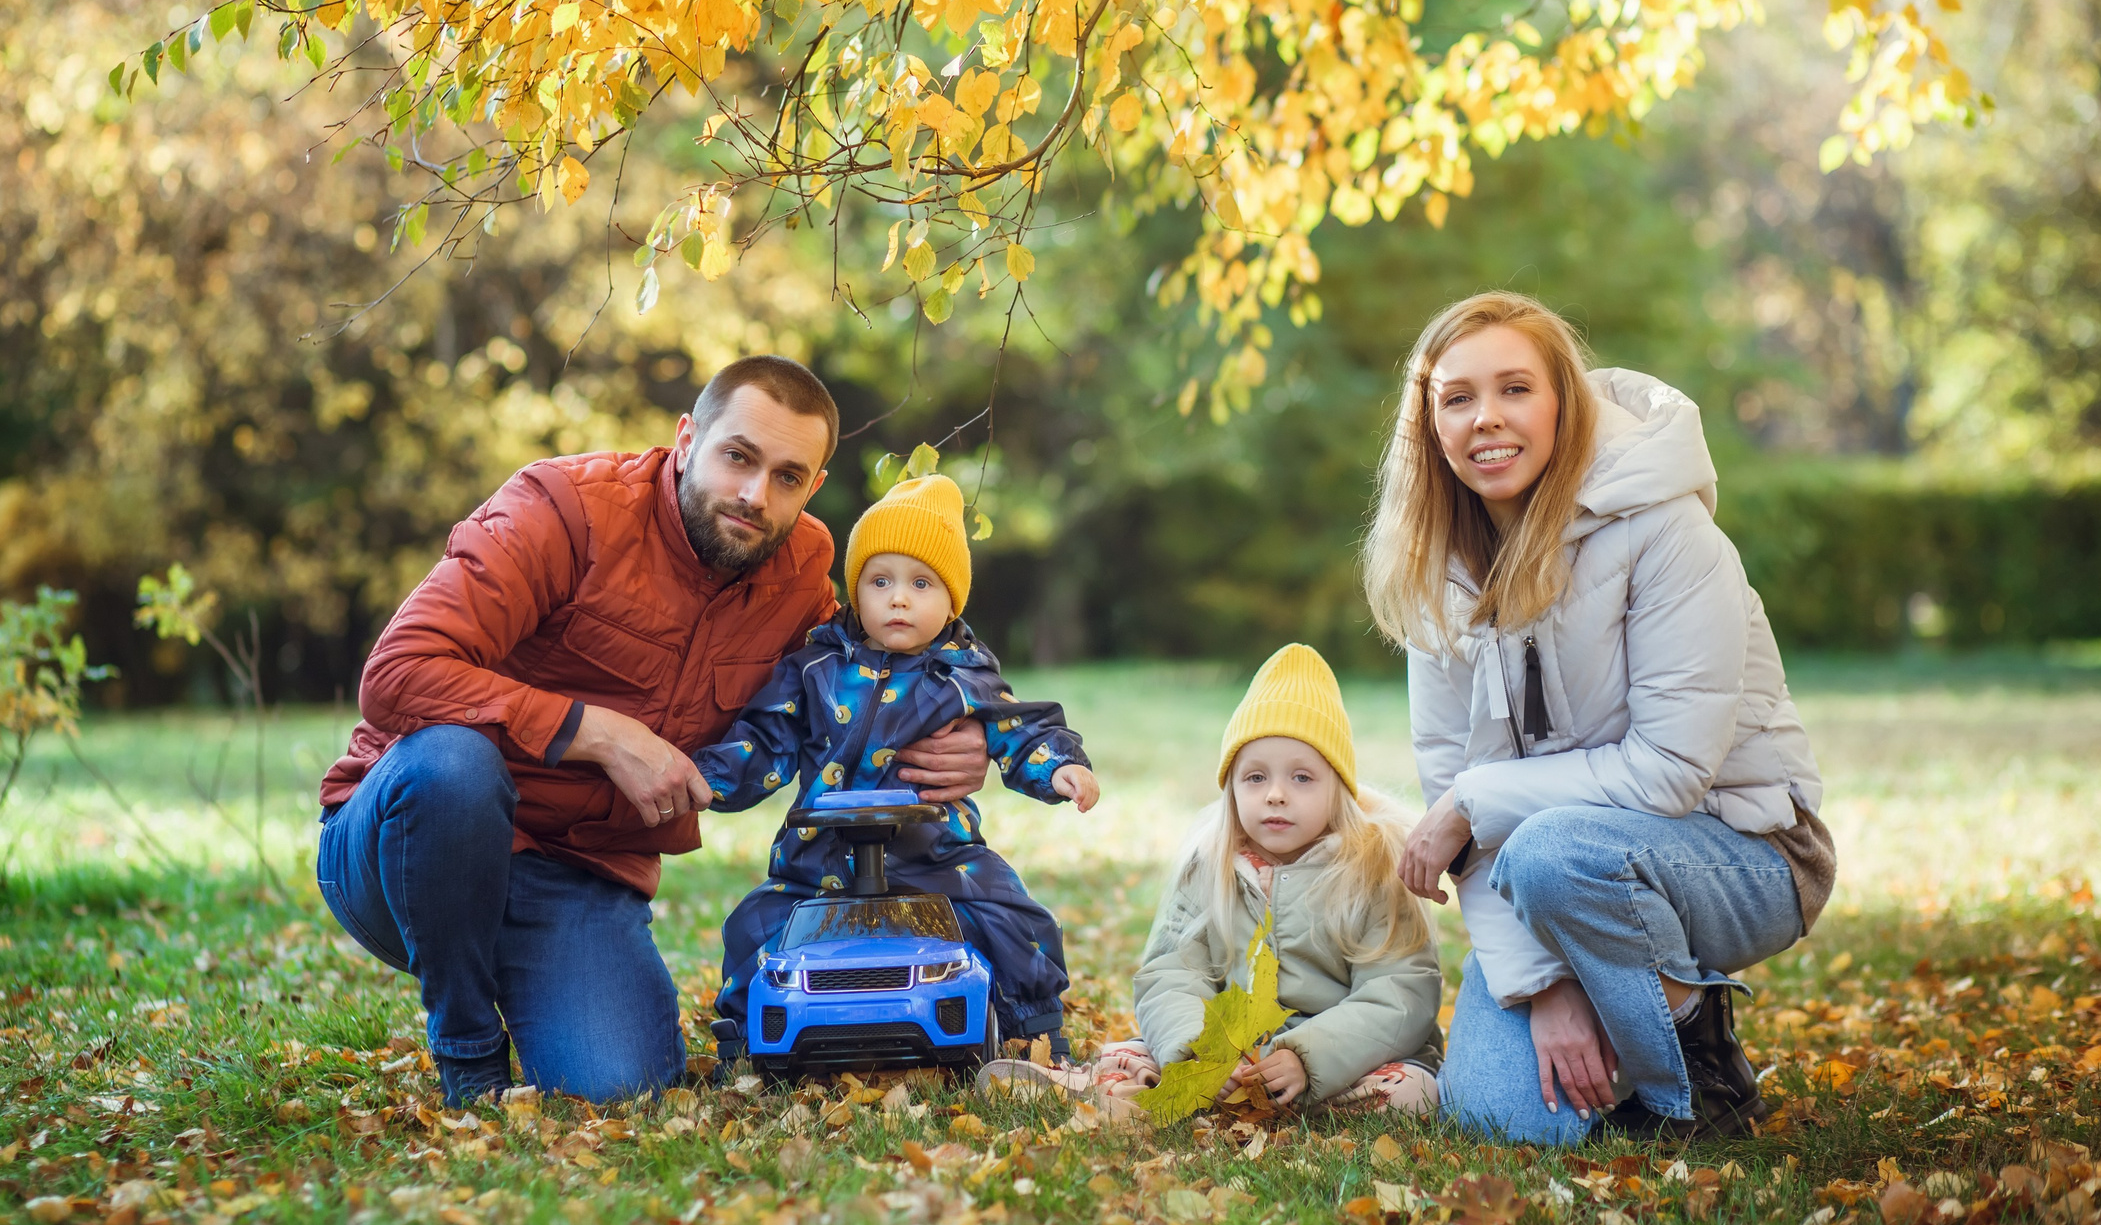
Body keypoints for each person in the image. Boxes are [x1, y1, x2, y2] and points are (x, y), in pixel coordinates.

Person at [312, 355, 995, 1107]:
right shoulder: (563, 508)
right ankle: (468, 1050)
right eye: (738, 456)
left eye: (787, 477)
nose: (754, 494)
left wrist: (963, 734)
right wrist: (600, 733)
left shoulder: (803, 571)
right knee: (453, 765)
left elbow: (857, 689)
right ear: (687, 438)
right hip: (407, 846)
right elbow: (398, 673)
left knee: (622, 1086)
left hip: (576, 872)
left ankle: (538, 977)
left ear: (813, 486)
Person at [1362, 291, 1834, 1143]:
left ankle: (1698, 1070)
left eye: (1515, 388)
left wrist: (1476, 800)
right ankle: (1610, 990)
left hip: (1746, 851)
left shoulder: (1666, 531)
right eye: (1457, 398)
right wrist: (1545, 982)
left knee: (1549, 850)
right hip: (1556, 881)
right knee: (1502, 1116)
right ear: (1429, 426)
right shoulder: (1438, 575)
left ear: (1564, 403)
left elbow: (1668, 771)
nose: (1486, 417)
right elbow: (1466, 824)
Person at [694, 473, 1101, 1059]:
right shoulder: (814, 667)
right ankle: (744, 1032)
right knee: (755, 924)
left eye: (921, 583)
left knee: (1013, 915)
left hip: (936, 855)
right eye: (880, 581)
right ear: (856, 592)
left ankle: (1032, 1025)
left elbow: (1019, 727)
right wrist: (712, 777)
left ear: (952, 600)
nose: (898, 598)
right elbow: (767, 736)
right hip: (819, 860)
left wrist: (1058, 766)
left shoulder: (965, 675)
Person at [1063, 644, 1443, 1115]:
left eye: (1302, 778)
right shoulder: (1211, 866)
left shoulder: (1372, 869)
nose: (1276, 795)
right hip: (1228, 1058)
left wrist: (1307, 1058)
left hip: (1336, 1062)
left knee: (1410, 1091)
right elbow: (1172, 975)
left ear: (1338, 788)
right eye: (1256, 778)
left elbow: (1400, 994)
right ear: (1232, 788)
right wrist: (1201, 1050)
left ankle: (1263, 1099)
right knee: (1133, 1054)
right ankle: (1126, 1083)